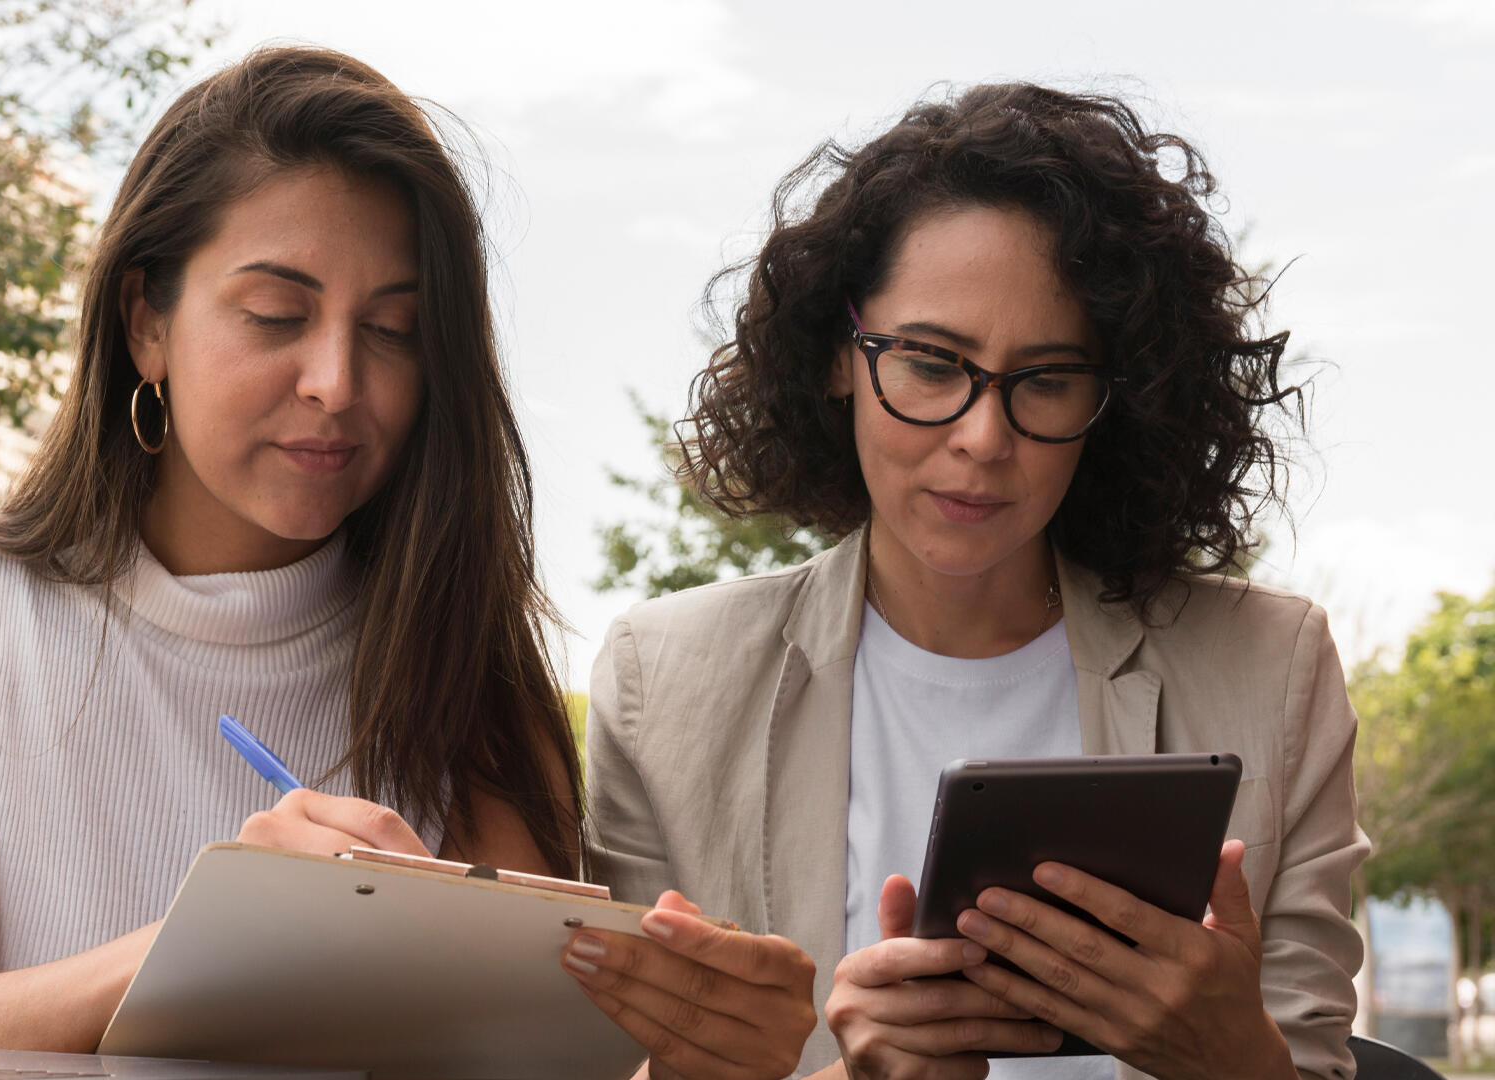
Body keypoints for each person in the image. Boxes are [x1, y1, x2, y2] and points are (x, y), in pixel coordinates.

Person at [0, 46, 812, 1069]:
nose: (337, 380)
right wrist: (203, 944)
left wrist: (699, 1060)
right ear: (145, 320)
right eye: (276, 315)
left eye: (394, 330)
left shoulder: (463, 648)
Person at [581, 83, 1369, 1080]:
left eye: (1046, 380)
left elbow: (1311, 1058)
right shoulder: (667, 684)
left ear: (1114, 397)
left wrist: (1235, 1063)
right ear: (839, 353)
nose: (983, 438)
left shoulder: (1274, 671)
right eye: (931, 363)